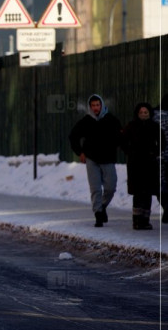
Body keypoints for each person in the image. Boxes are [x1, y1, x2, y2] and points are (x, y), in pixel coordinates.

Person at [69, 94, 123, 227]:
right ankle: (98, 214)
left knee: (111, 187)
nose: (95, 108)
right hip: (91, 159)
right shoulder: (86, 121)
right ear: (90, 107)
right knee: (95, 188)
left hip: (108, 158)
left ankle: (102, 206)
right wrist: (80, 152)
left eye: (97, 105)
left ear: (102, 105)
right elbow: (73, 136)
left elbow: (121, 137)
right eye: (93, 106)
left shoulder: (111, 120)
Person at [123, 102, 165, 230]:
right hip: (135, 164)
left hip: (150, 163)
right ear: (137, 113)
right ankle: (136, 220)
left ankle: (145, 220)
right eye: (141, 113)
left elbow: (163, 142)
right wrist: (130, 152)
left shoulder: (154, 126)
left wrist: (156, 152)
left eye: (145, 112)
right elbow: (123, 141)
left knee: (147, 192)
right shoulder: (131, 126)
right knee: (138, 192)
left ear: (150, 113)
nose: (143, 115)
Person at [152, 94, 168, 224]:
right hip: (162, 155)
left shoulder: (153, 115)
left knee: (160, 184)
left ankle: (166, 207)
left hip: (157, 155)